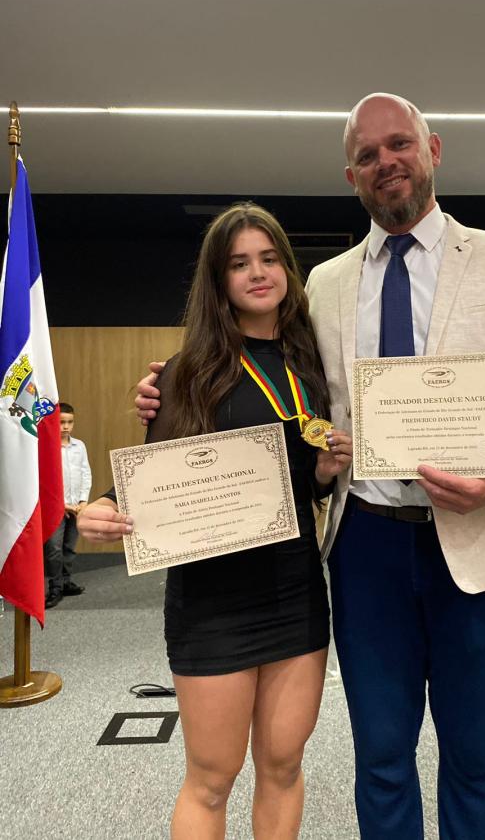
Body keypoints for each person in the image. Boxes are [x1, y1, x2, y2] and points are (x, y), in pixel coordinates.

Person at [136, 95, 485, 840]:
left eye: (398, 144)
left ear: (433, 150)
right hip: (364, 543)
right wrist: (172, 386)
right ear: (351, 175)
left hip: (473, 542)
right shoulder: (327, 284)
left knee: (472, 755)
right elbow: (285, 383)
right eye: (367, 155)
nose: (386, 163)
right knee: (380, 755)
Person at [78, 203, 352, 840]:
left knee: (283, 766)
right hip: (212, 601)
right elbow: (154, 475)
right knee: (211, 777)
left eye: (269, 258)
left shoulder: (312, 366)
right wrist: (105, 507)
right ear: (218, 280)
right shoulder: (186, 373)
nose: (258, 273)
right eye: (238, 263)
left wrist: (323, 472)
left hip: (294, 589)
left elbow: (300, 473)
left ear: (287, 267)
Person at [44, 402, 91, 608]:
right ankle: (55, 587)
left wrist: (82, 500)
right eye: (61, 422)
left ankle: (65, 581)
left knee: (69, 546)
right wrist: (62, 505)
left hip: (76, 507)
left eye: (69, 422)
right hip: (57, 507)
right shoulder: (47, 447)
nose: (65, 426)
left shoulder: (79, 446)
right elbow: (45, 481)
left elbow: (85, 473)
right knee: (54, 547)